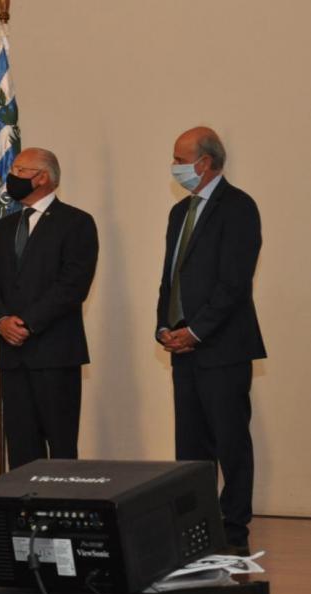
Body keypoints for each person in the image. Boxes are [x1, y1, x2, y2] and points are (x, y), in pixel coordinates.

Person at [156, 126, 265, 555]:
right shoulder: (178, 212)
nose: (175, 166)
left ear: (204, 162)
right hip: (182, 348)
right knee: (191, 449)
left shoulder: (239, 207)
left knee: (230, 443)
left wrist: (198, 331)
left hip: (223, 349)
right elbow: (170, 278)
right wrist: (164, 326)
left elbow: (233, 283)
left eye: (180, 158)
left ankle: (234, 532)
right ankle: (195, 531)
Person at [0, 147, 99, 469]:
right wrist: (3, 320)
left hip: (55, 354)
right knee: (21, 446)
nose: (12, 177)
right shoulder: (5, 227)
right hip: (13, 358)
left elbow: (73, 285)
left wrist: (27, 324)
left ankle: (62, 514)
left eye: (20, 170)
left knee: (60, 447)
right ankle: (25, 513)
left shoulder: (76, 223)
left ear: (42, 177)